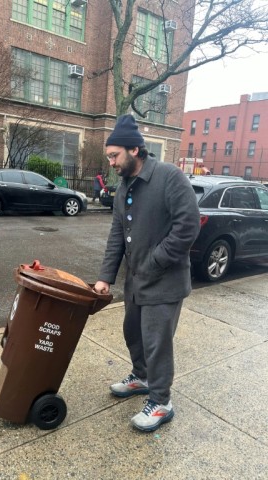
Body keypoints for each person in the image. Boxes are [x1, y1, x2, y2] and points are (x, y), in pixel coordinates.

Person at [94, 114, 200, 433]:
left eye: (115, 155)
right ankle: (140, 377)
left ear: (135, 151)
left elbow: (188, 227)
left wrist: (154, 261)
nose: (111, 162)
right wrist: (105, 277)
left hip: (164, 282)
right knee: (134, 334)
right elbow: (117, 234)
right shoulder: (124, 187)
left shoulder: (169, 177)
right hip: (136, 281)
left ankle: (161, 401)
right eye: (109, 156)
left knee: (157, 343)